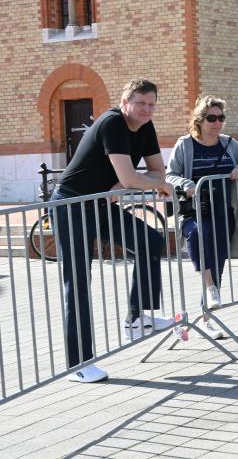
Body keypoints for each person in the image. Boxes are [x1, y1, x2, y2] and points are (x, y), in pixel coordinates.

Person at [51, 78, 173, 383]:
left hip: (100, 203)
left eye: (151, 104)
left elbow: (157, 170)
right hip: (71, 206)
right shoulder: (113, 123)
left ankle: (137, 316)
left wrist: (124, 182)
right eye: (141, 103)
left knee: (151, 240)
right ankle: (79, 363)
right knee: (78, 280)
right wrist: (139, 182)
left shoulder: (145, 126)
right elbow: (144, 178)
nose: (146, 110)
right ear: (125, 102)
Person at [166, 96, 238, 339]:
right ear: (200, 119)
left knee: (217, 262)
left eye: (221, 118)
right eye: (211, 118)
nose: (217, 123)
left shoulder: (229, 144)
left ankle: (205, 320)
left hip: (223, 211)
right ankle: (209, 290)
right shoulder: (185, 145)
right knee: (198, 235)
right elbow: (170, 174)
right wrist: (186, 183)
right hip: (193, 211)